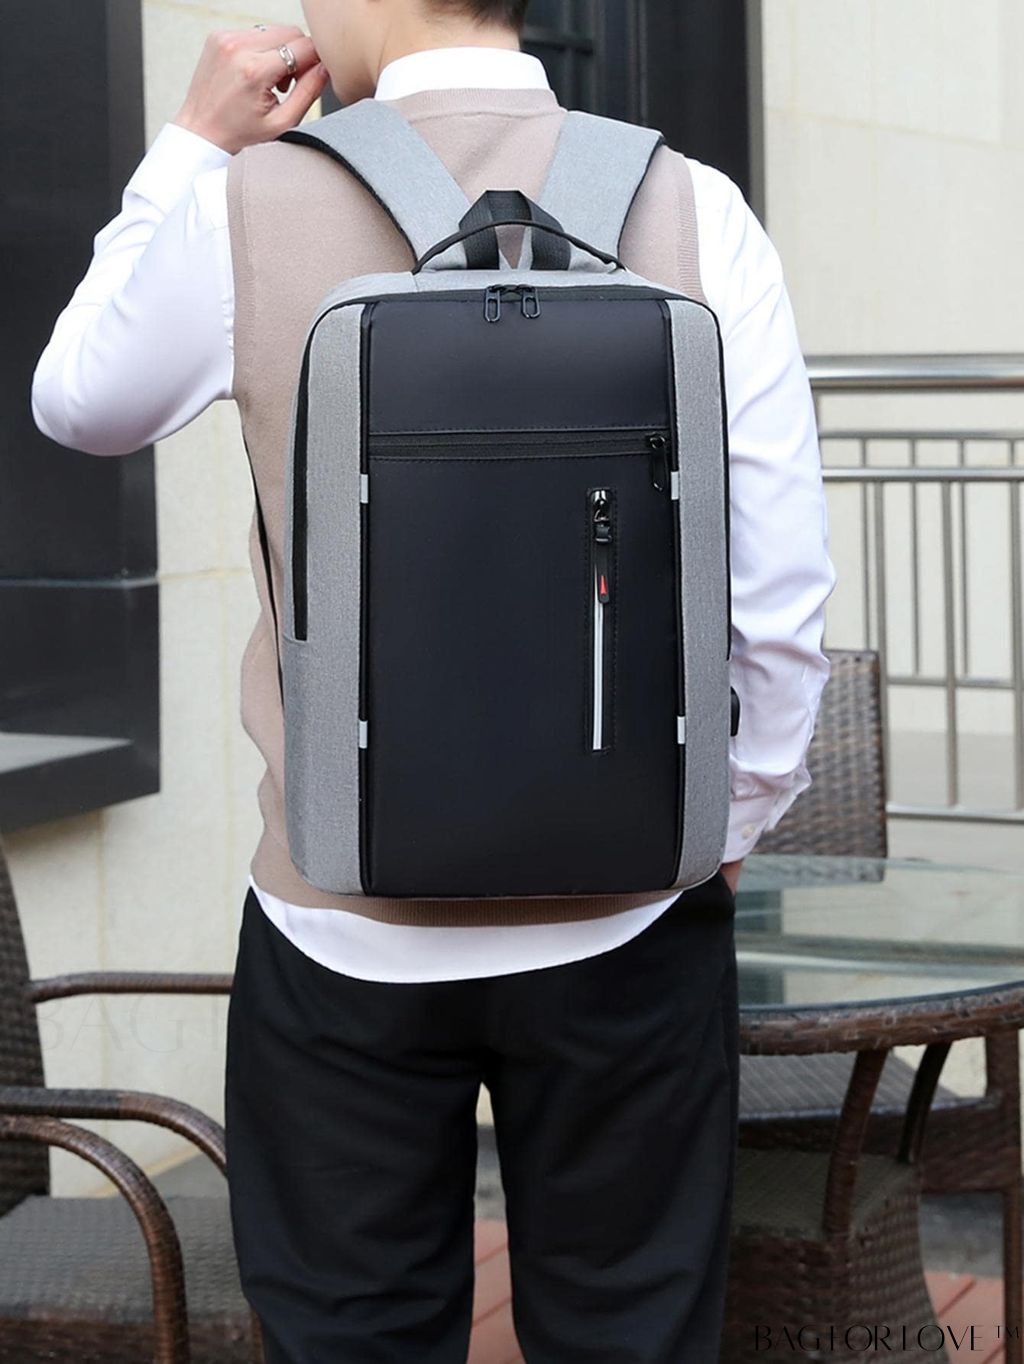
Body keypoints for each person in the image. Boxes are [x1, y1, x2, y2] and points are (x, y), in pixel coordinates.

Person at [30, 1, 837, 1359]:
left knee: (353, 1334)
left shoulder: (246, 207)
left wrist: (190, 146)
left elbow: (78, 402)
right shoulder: (693, 204)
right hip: (628, 914)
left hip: (340, 919)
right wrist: (725, 826)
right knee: (635, 1333)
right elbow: (779, 597)